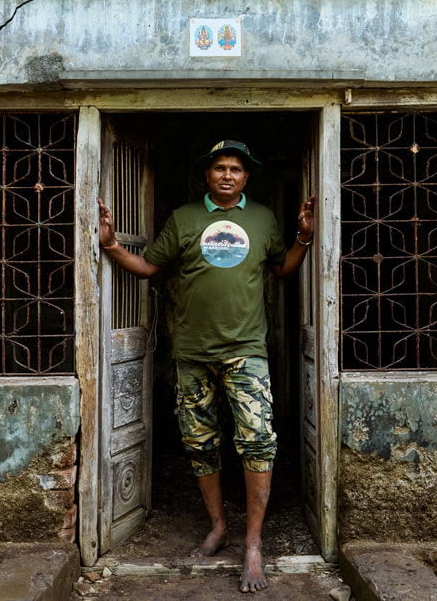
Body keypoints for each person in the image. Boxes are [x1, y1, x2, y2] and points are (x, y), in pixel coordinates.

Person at [97, 139, 315, 593]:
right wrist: (112, 244)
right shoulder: (185, 219)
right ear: (207, 175)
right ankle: (218, 526)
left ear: (247, 176)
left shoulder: (262, 219)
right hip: (192, 352)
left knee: (257, 440)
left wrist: (305, 238)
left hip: (246, 351)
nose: (228, 175)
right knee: (200, 443)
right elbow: (148, 267)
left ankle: (253, 544)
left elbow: (283, 270)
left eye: (236, 168)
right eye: (220, 168)